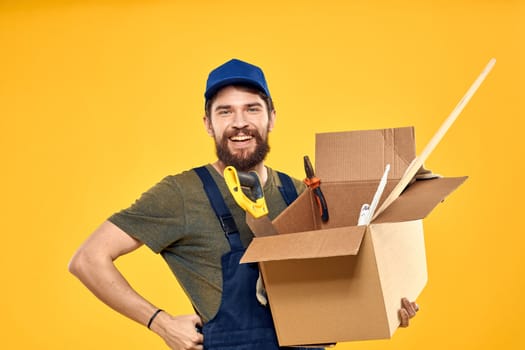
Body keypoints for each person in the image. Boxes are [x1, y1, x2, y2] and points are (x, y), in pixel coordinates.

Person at [68, 58, 419, 350]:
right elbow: (87, 260)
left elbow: (332, 293)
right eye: (225, 112)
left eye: (252, 108)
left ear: (271, 117)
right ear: (208, 124)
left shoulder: (304, 194)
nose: (239, 123)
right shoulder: (181, 194)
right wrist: (159, 323)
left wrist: (385, 308)